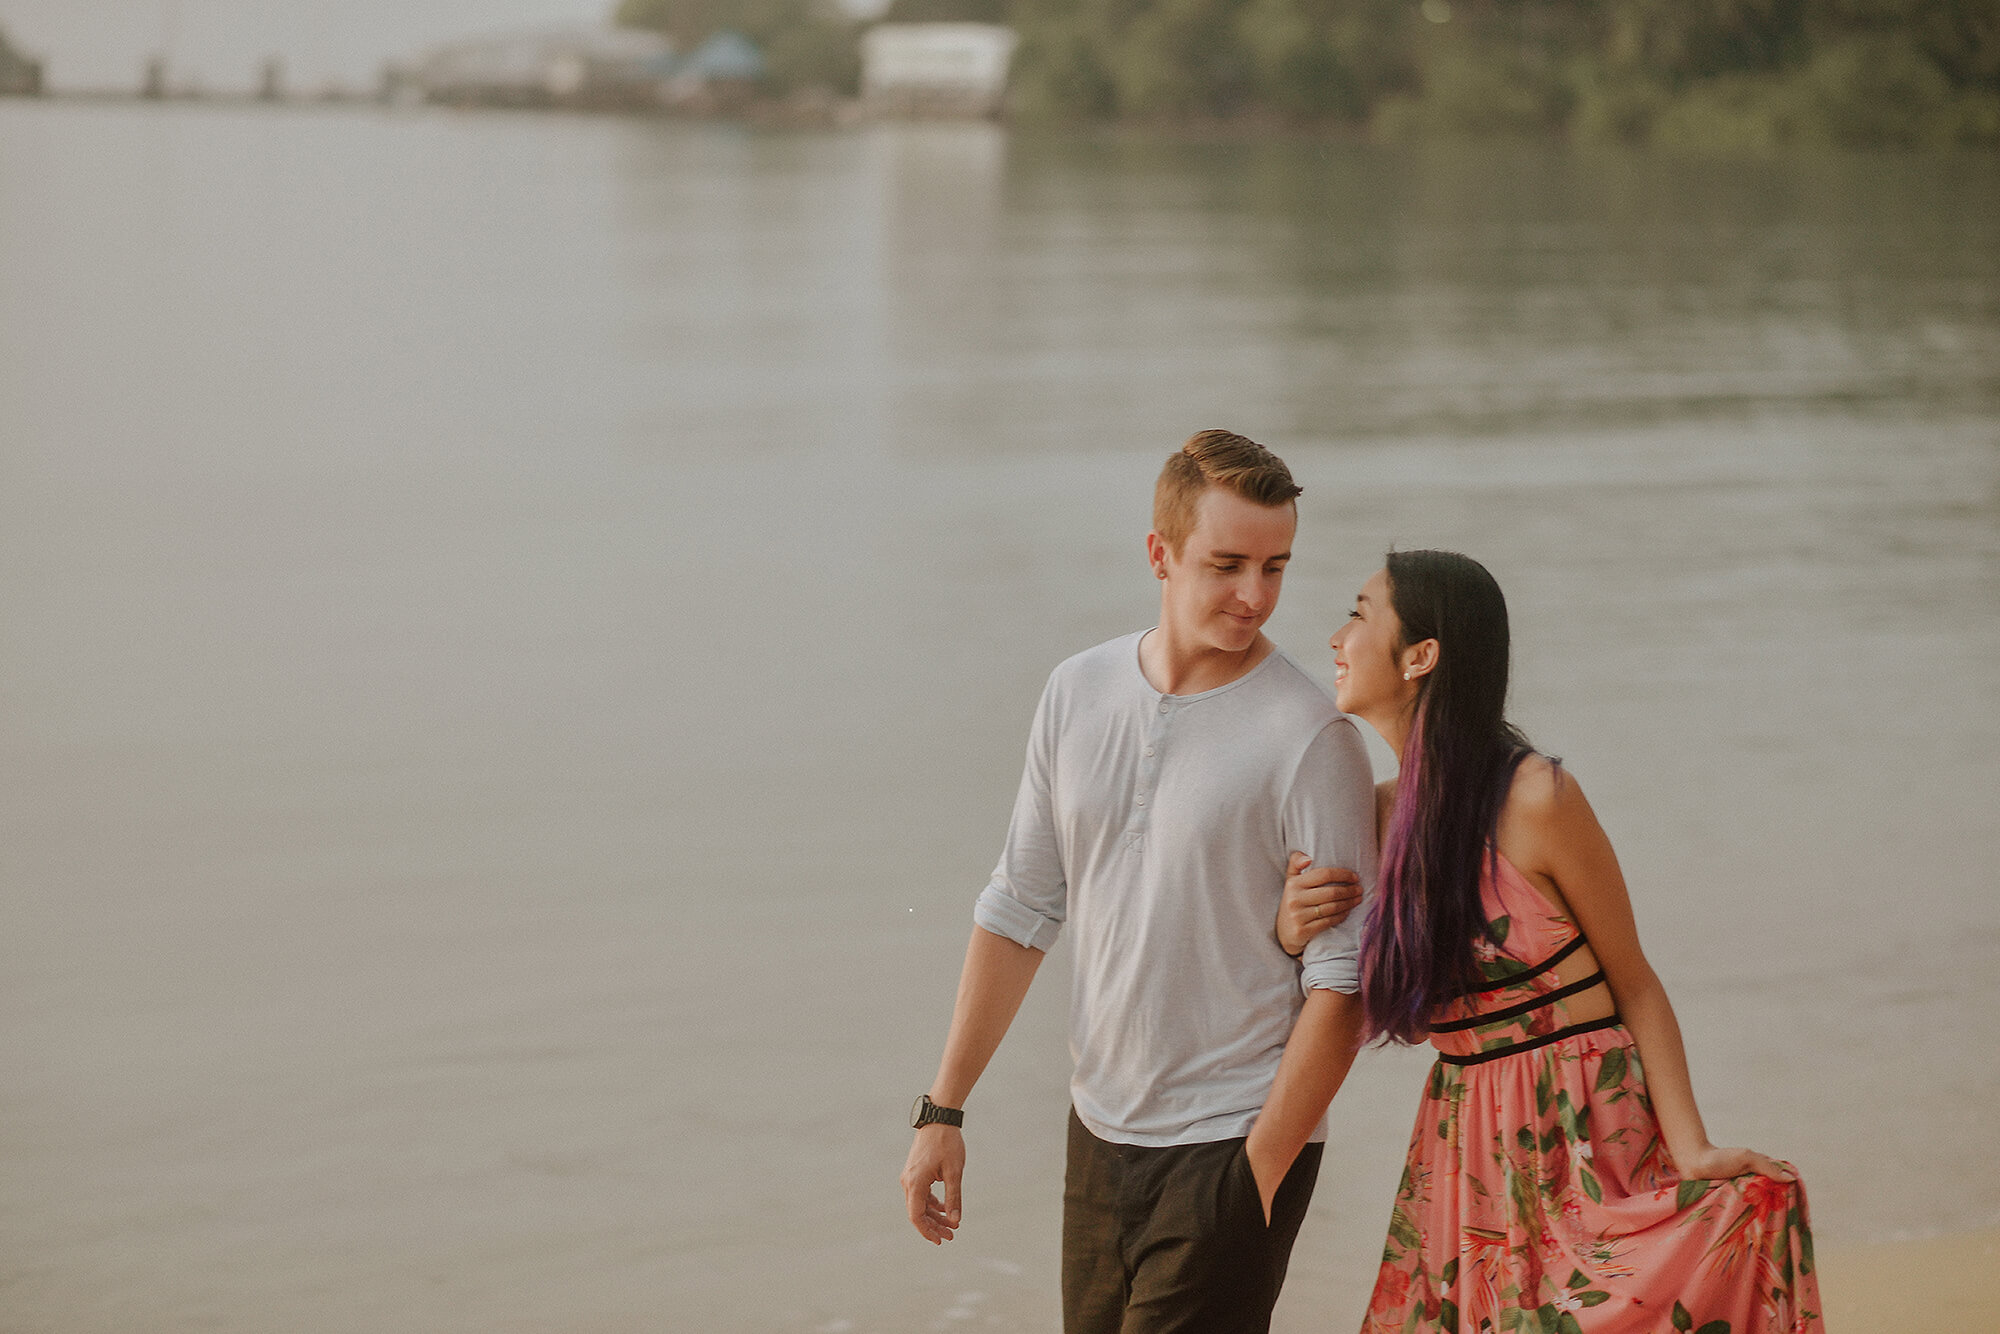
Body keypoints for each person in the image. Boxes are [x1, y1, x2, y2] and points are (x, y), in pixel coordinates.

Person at [900, 430, 1377, 1334]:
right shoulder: (1076, 693)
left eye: (1276, 566)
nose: (1255, 595)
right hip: (1102, 1133)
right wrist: (943, 1108)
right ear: (1159, 553)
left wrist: (1260, 1166)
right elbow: (1020, 909)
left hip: (1231, 1139)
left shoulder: (1310, 736)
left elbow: (1342, 983)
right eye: (1227, 563)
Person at [1280, 550, 1823, 1333]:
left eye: (1359, 614)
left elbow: (1633, 981)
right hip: (1464, 1130)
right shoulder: (1372, 817)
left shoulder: (1536, 797)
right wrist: (1290, 926)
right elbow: (1315, 966)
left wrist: (1695, 1146)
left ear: (1422, 655)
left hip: (1585, 1122)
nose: (1337, 636)